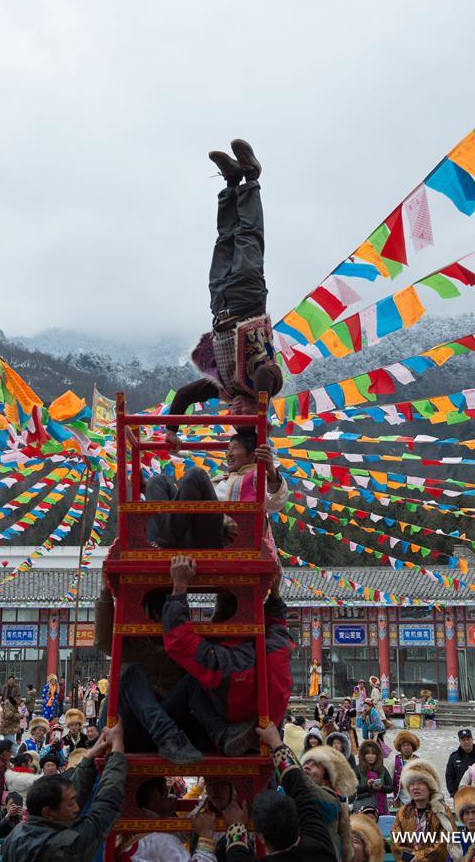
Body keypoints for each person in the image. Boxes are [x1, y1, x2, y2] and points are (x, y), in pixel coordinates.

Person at [165, 140, 283, 447]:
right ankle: (252, 178)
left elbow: (185, 395)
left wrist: (171, 431)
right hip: (247, 300)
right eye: (241, 414)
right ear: (258, 413)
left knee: (224, 242)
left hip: (219, 307)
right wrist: (259, 408)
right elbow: (262, 380)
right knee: (247, 239)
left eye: (233, 414)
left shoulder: (226, 388)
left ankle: (231, 183)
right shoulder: (269, 382)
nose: (234, 409)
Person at [129, 554, 292, 762]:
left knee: (179, 680)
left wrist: (179, 588)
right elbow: (278, 622)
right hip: (266, 726)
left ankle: (218, 733)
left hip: (218, 723)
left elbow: (178, 641)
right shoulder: (279, 645)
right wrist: (275, 593)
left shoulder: (225, 661)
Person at [142, 432, 287, 558]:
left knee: (196, 474)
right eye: (228, 449)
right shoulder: (222, 478)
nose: (228, 454)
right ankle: (157, 543)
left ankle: (163, 543)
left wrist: (272, 472)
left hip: (220, 538)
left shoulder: (257, 475)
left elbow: (275, 503)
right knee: (157, 481)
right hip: (190, 530)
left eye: (235, 448)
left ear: (252, 454)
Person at [1, 723, 127, 862]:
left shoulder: (16, 836)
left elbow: (73, 791)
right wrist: (117, 752)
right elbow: (106, 806)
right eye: (71, 804)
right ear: (48, 812)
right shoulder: (64, 847)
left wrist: (90, 757)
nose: (77, 808)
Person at [220, 720, 339, 862]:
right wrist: (277, 743)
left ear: (261, 838)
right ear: (297, 820)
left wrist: (236, 827)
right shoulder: (320, 846)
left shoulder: (318, 839)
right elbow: (299, 788)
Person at [116, 777, 218, 861]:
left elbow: (180, 833)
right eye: (167, 792)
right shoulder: (164, 841)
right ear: (156, 795)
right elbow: (168, 839)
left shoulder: (128, 832)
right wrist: (206, 836)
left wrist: (203, 804)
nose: (172, 796)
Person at [392, 759, 461, 862]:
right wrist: (410, 857)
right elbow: (396, 842)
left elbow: (445, 843)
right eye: (411, 784)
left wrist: (419, 857)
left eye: (420, 783)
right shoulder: (403, 812)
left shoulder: (441, 811)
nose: (415, 788)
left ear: (430, 786)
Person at [299, 741, 357, 861]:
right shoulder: (299, 794)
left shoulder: (330, 801)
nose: (307, 766)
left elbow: (299, 780)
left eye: (315, 765)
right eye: (306, 763)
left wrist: (279, 748)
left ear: (327, 779)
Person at [355, 740, 393, 816]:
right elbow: (354, 788)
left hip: (381, 805)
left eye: (373, 754)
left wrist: (381, 787)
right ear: (363, 755)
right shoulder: (358, 769)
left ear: (377, 755)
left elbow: (391, 788)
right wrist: (367, 785)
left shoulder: (382, 769)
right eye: (368, 754)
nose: (371, 756)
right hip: (364, 805)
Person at [446, 729, 475, 797]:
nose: (466, 742)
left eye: (468, 739)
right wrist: (453, 793)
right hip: (460, 794)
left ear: (472, 739)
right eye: (463, 740)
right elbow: (449, 776)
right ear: (459, 741)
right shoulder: (454, 757)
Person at [392, 730, 421, 807]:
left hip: (414, 796)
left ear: (412, 747)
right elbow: (389, 779)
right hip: (398, 797)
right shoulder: (394, 761)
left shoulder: (418, 761)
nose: (406, 748)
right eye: (403, 746)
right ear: (400, 747)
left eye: (408, 745)